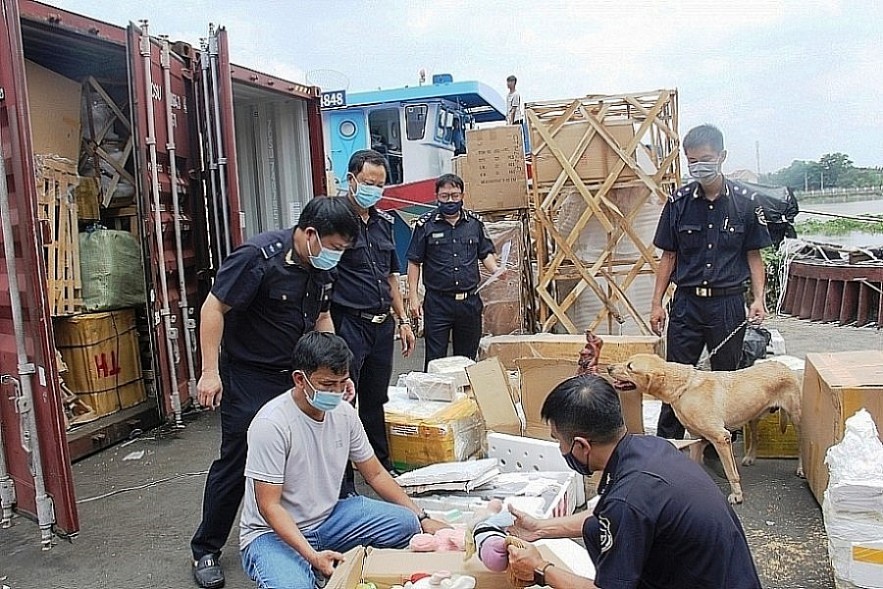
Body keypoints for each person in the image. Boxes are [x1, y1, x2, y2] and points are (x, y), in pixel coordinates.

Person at [190, 196, 360, 589]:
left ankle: (332, 529)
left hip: (299, 376)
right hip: (251, 376)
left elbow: (321, 316)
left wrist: (335, 369)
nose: (336, 256)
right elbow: (212, 309)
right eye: (333, 247)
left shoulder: (319, 267)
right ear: (310, 234)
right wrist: (209, 372)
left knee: (328, 443)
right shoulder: (258, 257)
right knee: (238, 461)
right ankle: (206, 549)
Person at [506, 375, 762, 589]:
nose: (560, 448)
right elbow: (606, 515)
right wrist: (540, 528)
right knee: (598, 531)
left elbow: (622, 510)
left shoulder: (628, 498)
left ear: (582, 445)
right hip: (725, 576)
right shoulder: (647, 447)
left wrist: (540, 568)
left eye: (559, 440)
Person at [239, 332, 449, 589]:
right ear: (299, 379)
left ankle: (317, 563)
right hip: (272, 534)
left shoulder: (344, 413)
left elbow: (376, 474)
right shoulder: (272, 424)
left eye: (342, 382)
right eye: (327, 384)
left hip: (328, 519)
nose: (336, 391)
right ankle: (301, 566)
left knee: (407, 524)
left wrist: (423, 517)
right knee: (293, 586)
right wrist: (313, 556)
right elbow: (269, 507)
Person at [650, 124, 772, 439]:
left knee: (727, 379)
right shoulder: (678, 202)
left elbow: (754, 257)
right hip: (687, 304)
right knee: (673, 378)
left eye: (704, 158)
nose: (698, 166)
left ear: (721, 156)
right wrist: (656, 304)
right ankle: (669, 443)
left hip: (728, 304)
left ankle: (722, 442)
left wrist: (758, 299)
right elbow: (669, 256)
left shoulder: (745, 203)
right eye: (691, 161)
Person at [332, 149, 415, 496]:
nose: (374, 190)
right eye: (368, 183)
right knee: (342, 401)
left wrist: (404, 320)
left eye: (380, 185)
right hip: (348, 324)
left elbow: (391, 278)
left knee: (375, 398)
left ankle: (378, 465)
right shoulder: (334, 222)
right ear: (351, 179)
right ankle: (341, 479)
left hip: (382, 326)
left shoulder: (383, 223)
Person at [406, 174, 498, 370]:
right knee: (435, 361)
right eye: (445, 196)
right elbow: (414, 262)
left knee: (467, 362)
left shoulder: (475, 224)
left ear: (462, 195)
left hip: (469, 303)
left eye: (455, 196)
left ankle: (465, 400)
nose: (450, 200)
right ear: (436, 196)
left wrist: (497, 270)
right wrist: (413, 296)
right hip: (438, 303)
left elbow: (486, 252)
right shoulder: (425, 225)